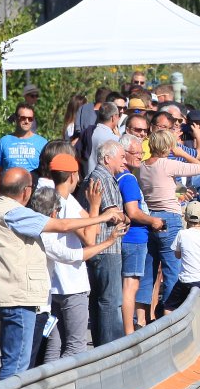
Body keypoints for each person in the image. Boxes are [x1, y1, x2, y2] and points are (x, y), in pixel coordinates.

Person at [0, 167, 123, 382]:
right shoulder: (13, 212)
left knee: (29, 357)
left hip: (13, 295)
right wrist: (101, 216)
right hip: (18, 297)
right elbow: (63, 226)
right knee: (18, 364)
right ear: (26, 191)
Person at [139, 131, 200, 315]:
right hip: (169, 219)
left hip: (150, 218)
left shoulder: (143, 167)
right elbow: (196, 168)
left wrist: (180, 191)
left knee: (148, 272)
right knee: (171, 271)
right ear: (167, 147)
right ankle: (169, 315)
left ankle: (142, 318)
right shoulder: (167, 164)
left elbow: (162, 186)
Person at [27, 181, 121, 362]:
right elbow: (80, 248)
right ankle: (60, 378)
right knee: (76, 347)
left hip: (50, 293)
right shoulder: (46, 235)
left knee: (53, 347)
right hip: (69, 287)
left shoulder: (34, 227)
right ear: (53, 213)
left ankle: (49, 377)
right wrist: (106, 234)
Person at [117, 136, 164, 333]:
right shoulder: (128, 179)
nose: (140, 156)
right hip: (134, 238)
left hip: (126, 237)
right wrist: (153, 221)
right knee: (130, 286)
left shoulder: (118, 177)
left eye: (141, 153)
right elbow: (133, 212)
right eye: (136, 153)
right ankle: (129, 332)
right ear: (123, 154)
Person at [83, 140, 127, 347]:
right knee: (110, 300)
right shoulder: (103, 178)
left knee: (99, 300)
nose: (125, 161)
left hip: (99, 246)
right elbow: (113, 214)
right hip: (106, 247)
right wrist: (126, 217)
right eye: (122, 157)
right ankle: (111, 348)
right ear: (108, 158)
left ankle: (101, 346)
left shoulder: (97, 176)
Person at [160, 201, 200, 314]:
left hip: (187, 281)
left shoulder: (182, 234)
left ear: (185, 218)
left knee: (168, 307)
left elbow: (177, 255)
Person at [0, 104, 46, 195]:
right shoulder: (4, 141)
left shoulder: (42, 142)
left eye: (30, 119)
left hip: (33, 193)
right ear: (16, 118)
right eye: (23, 118)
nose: (26, 121)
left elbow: (46, 171)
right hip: (8, 192)